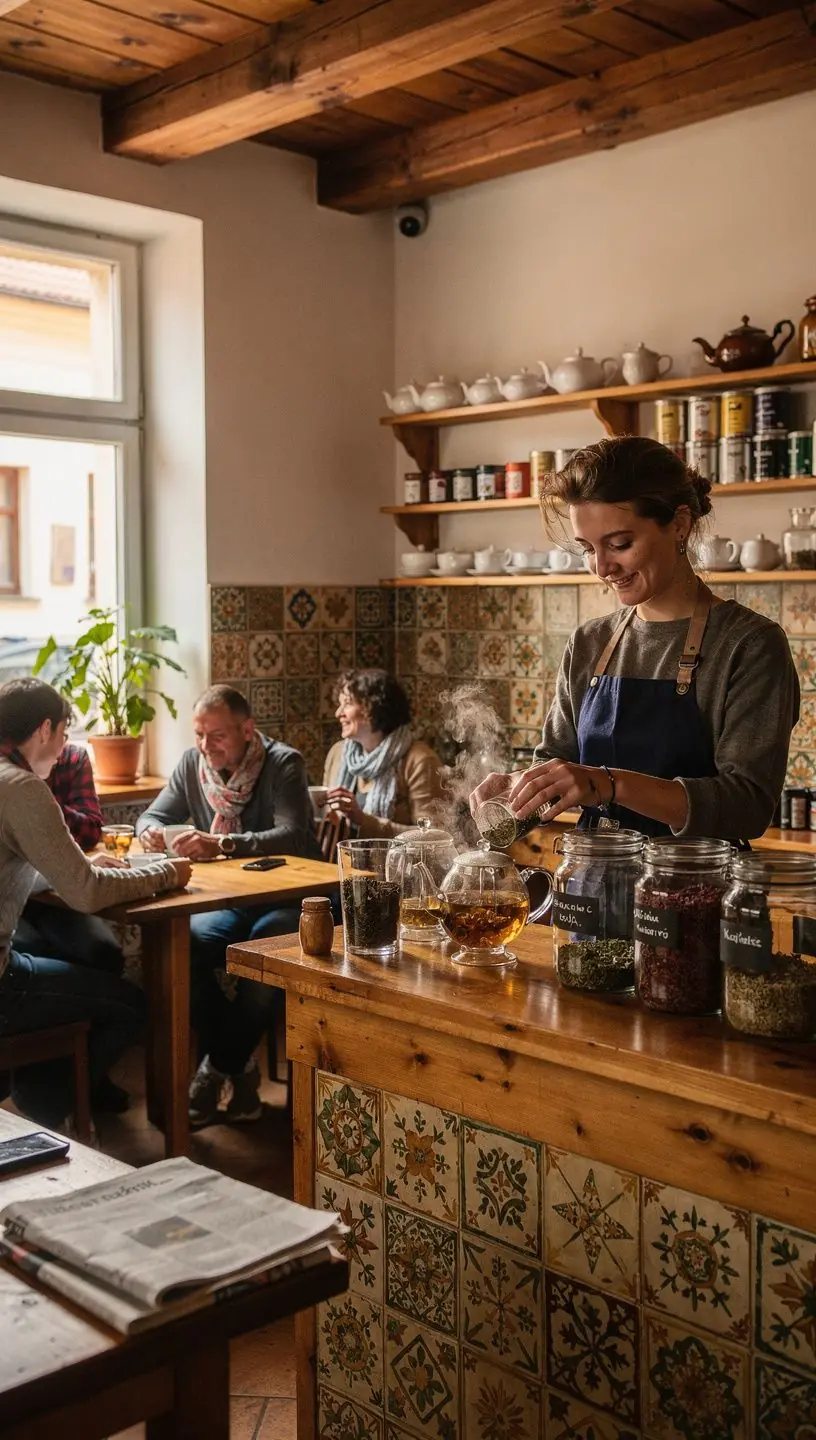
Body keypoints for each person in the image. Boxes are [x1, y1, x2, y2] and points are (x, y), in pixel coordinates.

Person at [471, 437, 799, 840]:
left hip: (696, 891)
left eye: (620, 544)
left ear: (679, 524)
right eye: (588, 549)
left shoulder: (748, 645)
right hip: (591, 888)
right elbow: (558, 765)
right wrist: (520, 790)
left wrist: (606, 784)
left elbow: (746, 807)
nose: (603, 567)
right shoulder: (589, 642)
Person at [0, 678, 190, 1130]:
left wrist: (74, 867)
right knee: (130, 1006)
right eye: (65, 732)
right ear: (45, 729)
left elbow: (14, 867)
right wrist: (168, 871)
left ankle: (30, 1106)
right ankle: (31, 1116)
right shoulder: (22, 788)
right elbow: (86, 892)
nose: (66, 744)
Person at [136, 685, 321, 1128]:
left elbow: (293, 835)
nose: (205, 746)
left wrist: (222, 843)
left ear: (247, 729)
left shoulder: (283, 764)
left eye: (216, 736)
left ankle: (213, 1070)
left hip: (286, 898)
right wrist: (149, 832)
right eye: (199, 735)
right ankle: (241, 1069)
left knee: (261, 958)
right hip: (227, 900)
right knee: (187, 945)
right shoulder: (191, 765)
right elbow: (152, 815)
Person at [14, 742, 124, 978]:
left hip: (59, 899)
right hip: (11, 901)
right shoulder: (7, 771)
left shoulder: (70, 758)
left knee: (104, 953)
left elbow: (90, 832)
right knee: (30, 952)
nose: (61, 741)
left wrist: (43, 801)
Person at [324, 669, 443, 837]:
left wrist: (364, 821)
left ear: (374, 708)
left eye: (348, 703)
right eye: (339, 704)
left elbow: (433, 837)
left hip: (396, 863)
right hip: (338, 861)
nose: (338, 713)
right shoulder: (338, 754)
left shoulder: (420, 761)